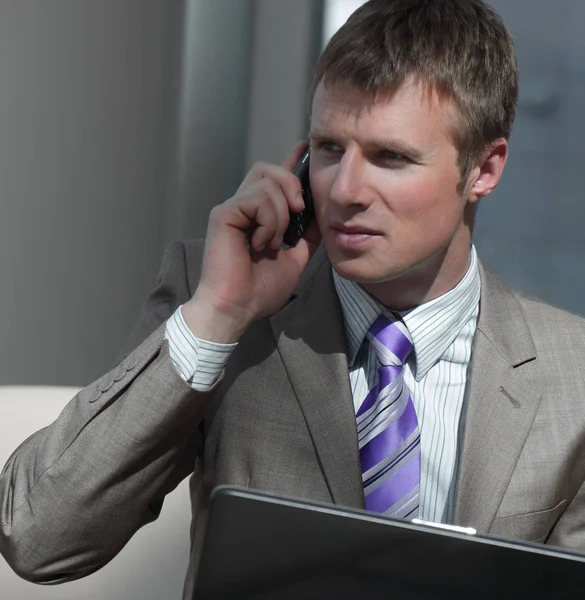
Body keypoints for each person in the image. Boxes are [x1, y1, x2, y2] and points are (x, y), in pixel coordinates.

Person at [3, 0, 585, 597]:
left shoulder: (573, 377)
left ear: (484, 169)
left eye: (391, 158)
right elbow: (39, 537)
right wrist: (218, 317)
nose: (347, 191)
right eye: (330, 149)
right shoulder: (224, 304)